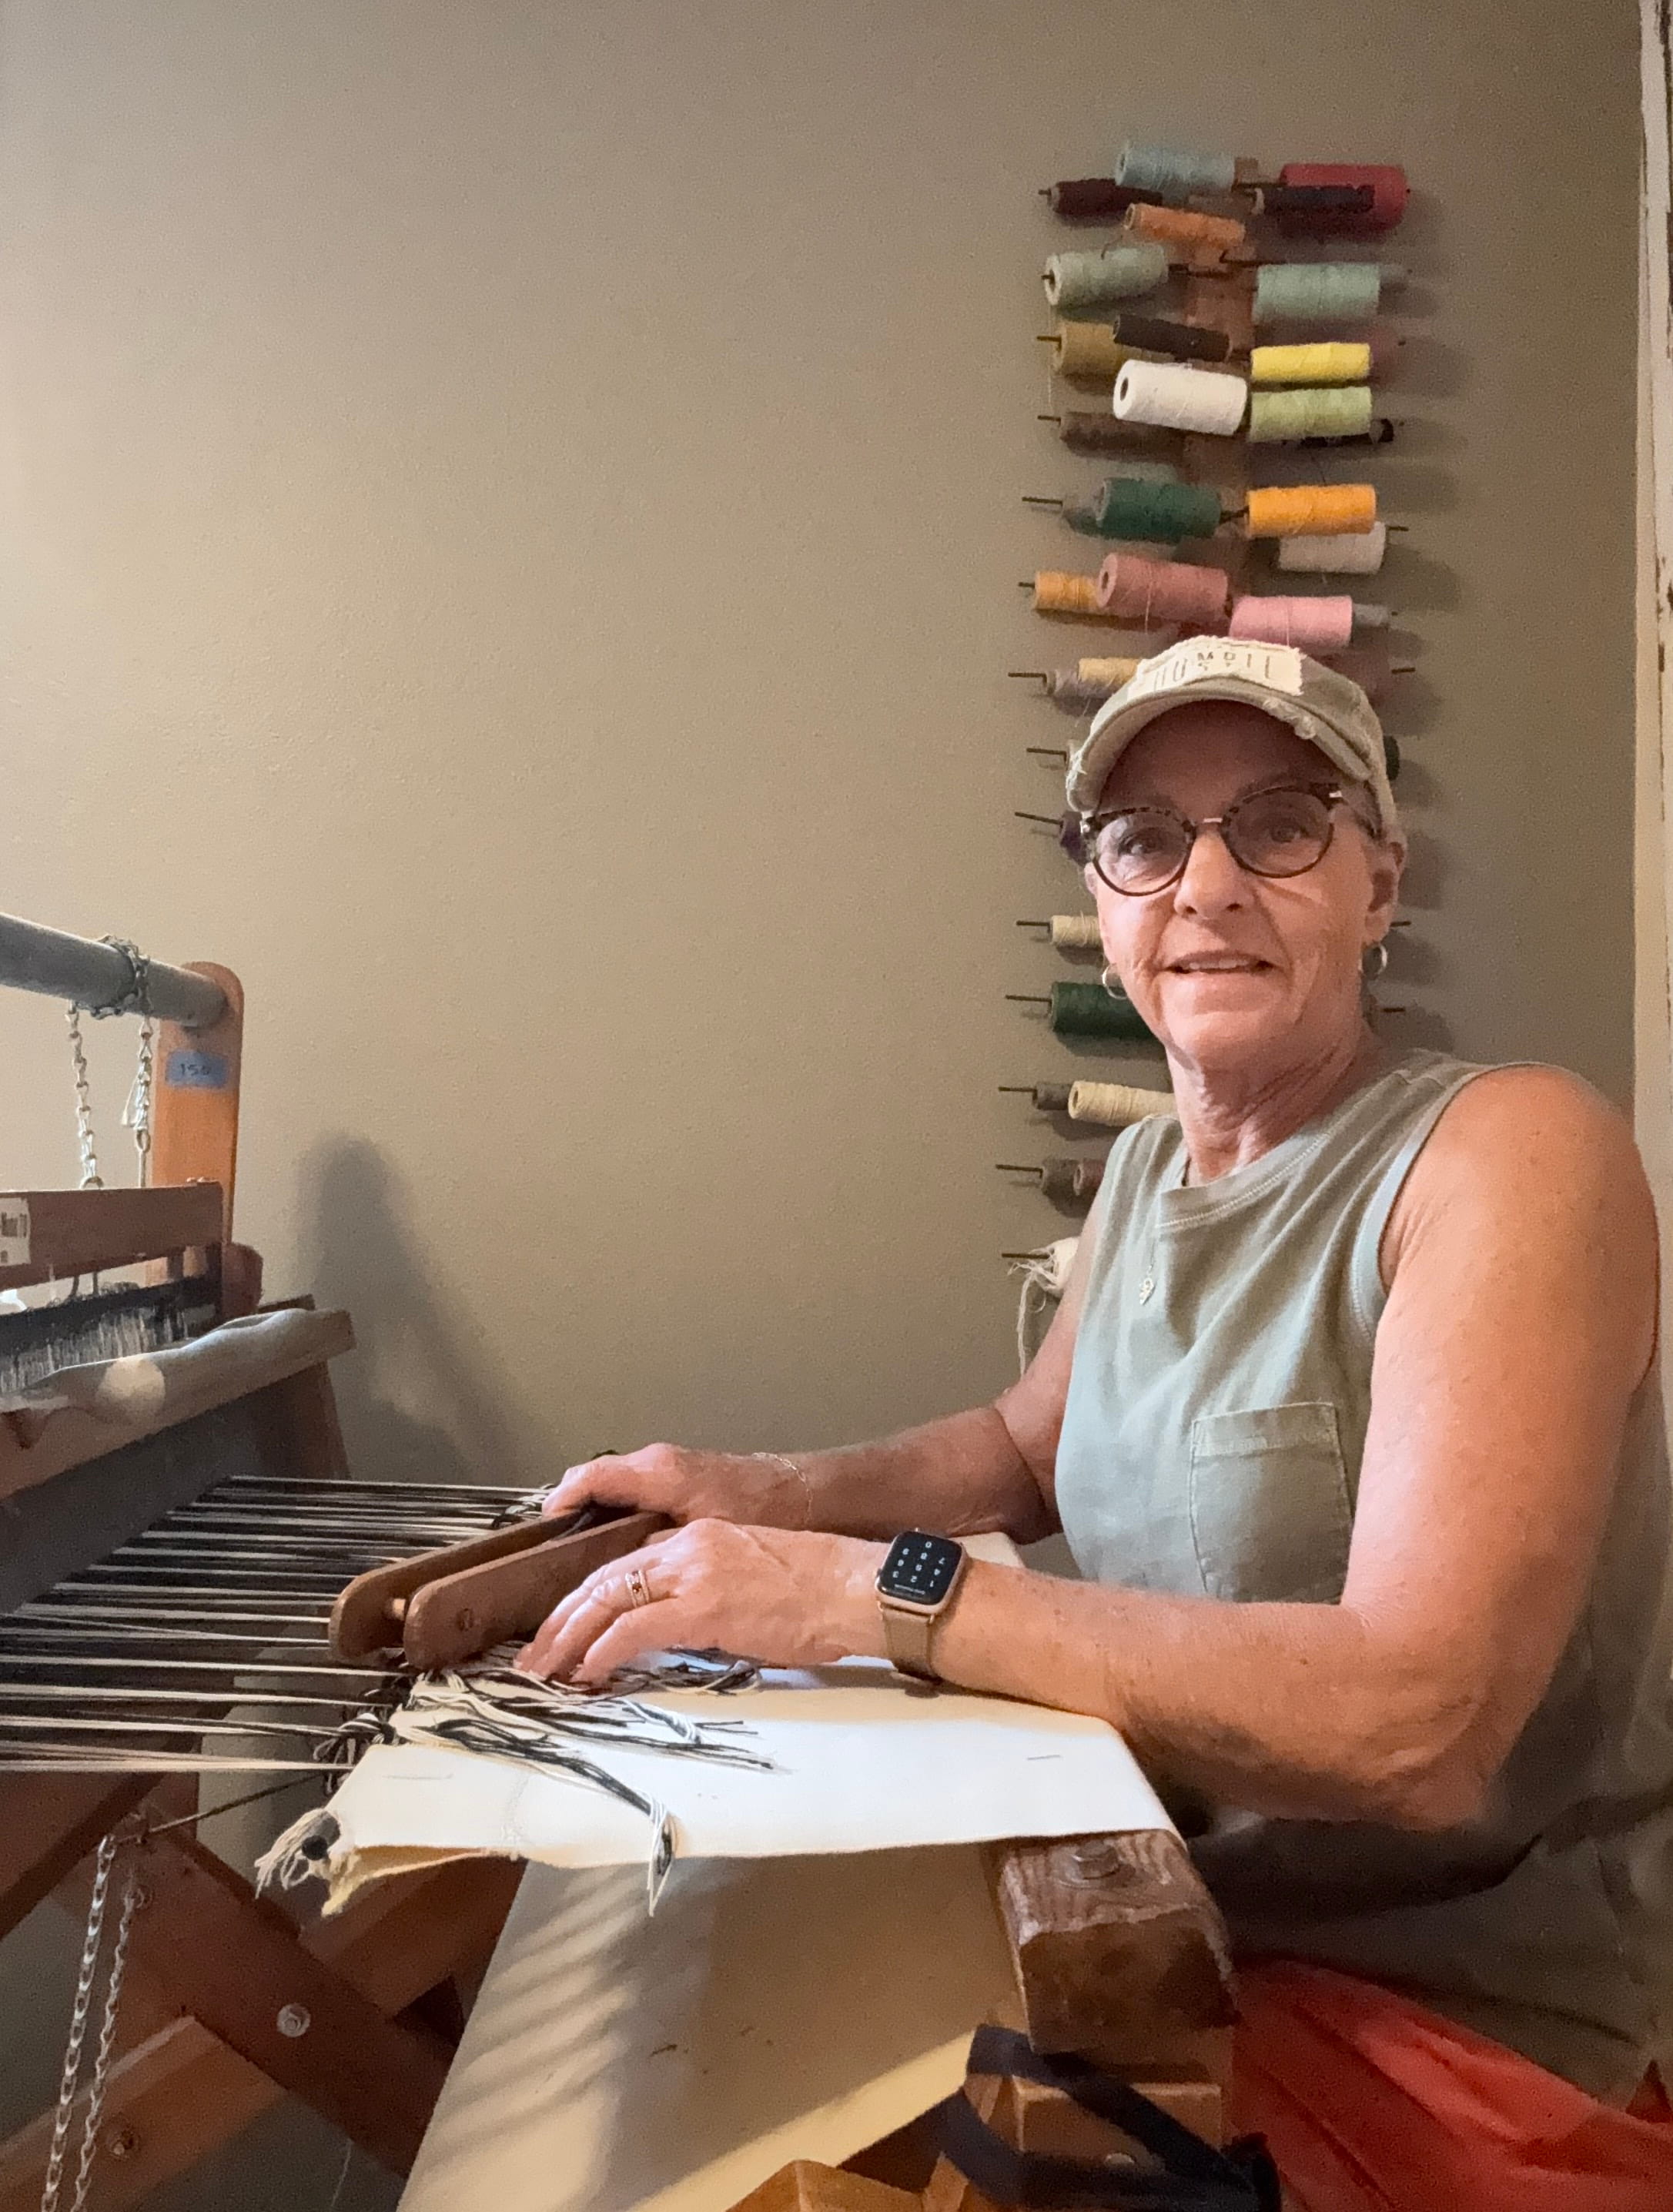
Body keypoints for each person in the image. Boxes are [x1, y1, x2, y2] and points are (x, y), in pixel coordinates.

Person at [519, 637, 1673, 2209]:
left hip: (1458, 2029)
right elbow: (1023, 1448)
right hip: (1169, 1919)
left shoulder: (1508, 1155)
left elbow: (1419, 1724)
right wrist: (754, 1491)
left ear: (1381, 884)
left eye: (1278, 824)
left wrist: (876, 1595)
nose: (1206, 886)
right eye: (1144, 839)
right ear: (1104, 897)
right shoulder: (1143, 1176)